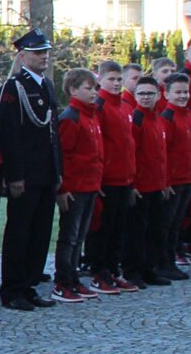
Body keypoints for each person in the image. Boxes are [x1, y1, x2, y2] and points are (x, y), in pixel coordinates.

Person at [0, 30, 61, 310]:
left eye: (45, 52)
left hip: (45, 172)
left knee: (40, 232)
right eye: (37, 52)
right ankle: (12, 289)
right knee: (19, 231)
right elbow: (8, 135)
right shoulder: (14, 87)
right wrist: (14, 175)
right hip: (25, 173)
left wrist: (57, 170)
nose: (43, 56)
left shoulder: (46, 85)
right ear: (22, 56)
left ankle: (29, 283)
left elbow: (52, 132)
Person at [51, 69, 104, 303]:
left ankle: (73, 277)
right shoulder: (70, 117)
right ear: (73, 90)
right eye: (88, 88)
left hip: (90, 185)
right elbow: (64, 157)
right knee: (69, 236)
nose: (94, 93)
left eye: (95, 88)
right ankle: (62, 281)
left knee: (79, 236)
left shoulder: (92, 115)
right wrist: (63, 189)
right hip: (75, 188)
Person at [87, 61, 140, 294]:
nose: (116, 83)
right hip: (107, 179)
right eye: (111, 79)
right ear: (100, 80)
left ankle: (112, 270)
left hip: (124, 178)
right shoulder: (99, 106)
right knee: (103, 229)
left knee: (118, 228)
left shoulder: (125, 107)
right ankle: (98, 272)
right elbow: (97, 144)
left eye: (119, 79)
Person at [127, 76, 178, 283]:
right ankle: (133, 271)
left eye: (150, 93)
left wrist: (165, 182)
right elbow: (131, 154)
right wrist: (132, 184)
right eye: (141, 94)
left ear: (158, 95)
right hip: (141, 186)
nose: (146, 97)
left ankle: (149, 269)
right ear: (135, 96)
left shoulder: (158, 120)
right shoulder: (136, 119)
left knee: (154, 230)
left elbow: (162, 155)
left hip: (157, 185)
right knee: (137, 231)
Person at [161, 72, 191, 271]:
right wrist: (166, 181)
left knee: (178, 222)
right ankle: (164, 263)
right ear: (167, 94)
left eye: (185, 92)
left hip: (187, 179)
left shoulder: (189, 116)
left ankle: (171, 261)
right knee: (167, 224)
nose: (183, 96)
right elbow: (163, 153)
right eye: (178, 92)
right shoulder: (167, 118)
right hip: (173, 181)